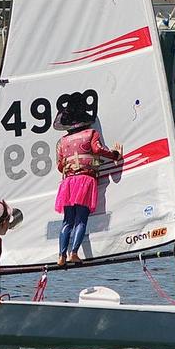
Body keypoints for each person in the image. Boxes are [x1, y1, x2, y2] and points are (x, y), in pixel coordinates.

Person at [54, 94, 122, 266]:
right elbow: (98, 150)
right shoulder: (91, 133)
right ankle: (74, 253)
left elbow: (60, 166)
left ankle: (61, 256)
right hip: (85, 180)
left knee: (67, 220)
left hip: (68, 183)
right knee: (81, 219)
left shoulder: (62, 141)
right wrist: (114, 154)